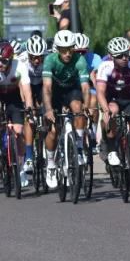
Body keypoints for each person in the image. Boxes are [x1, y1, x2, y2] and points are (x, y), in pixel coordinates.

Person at [42, 30, 90, 189]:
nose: (68, 53)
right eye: (63, 50)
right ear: (57, 49)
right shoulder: (50, 60)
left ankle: (80, 148)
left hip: (71, 92)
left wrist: (88, 106)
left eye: (70, 49)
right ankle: (50, 165)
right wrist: (48, 108)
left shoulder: (79, 60)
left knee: (78, 108)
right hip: (54, 93)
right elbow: (47, 87)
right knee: (53, 131)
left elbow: (85, 87)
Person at [96, 37, 130, 174]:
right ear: (112, 56)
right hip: (113, 99)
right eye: (120, 56)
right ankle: (112, 149)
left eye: (126, 54)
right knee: (111, 112)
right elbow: (100, 92)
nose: (124, 58)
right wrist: (105, 110)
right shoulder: (105, 66)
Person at [0, 42, 34, 187]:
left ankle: (20, 167)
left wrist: (30, 108)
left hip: (14, 98)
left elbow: (27, 91)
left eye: (4, 61)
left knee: (19, 131)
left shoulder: (19, 66)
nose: (1, 64)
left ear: (10, 59)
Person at [19, 35, 47, 175]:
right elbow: (22, 86)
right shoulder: (22, 60)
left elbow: (50, 85)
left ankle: (46, 150)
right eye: (33, 57)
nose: (36, 61)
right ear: (28, 55)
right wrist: (25, 103)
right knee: (30, 116)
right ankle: (29, 156)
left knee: (48, 112)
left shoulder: (49, 58)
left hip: (43, 85)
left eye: (39, 57)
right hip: (27, 84)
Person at [75, 33, 102, 151]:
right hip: (75, 88)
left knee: (94, 99)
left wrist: (94, 79)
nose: (81, 54)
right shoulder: (69, 59)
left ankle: (92, 135)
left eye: (83, 52)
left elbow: (98, 83)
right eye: (78, 52)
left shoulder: (95, 58)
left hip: (89, 88)